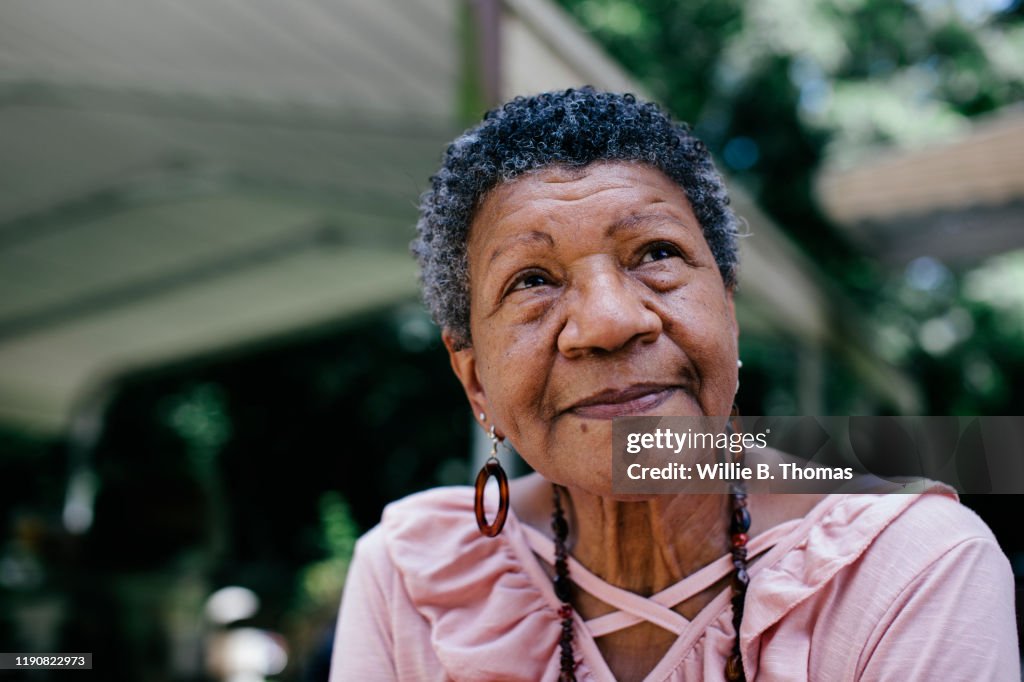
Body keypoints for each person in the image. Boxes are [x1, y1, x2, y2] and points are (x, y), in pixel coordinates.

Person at [329, 88, 1018, 681]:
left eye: (656, 253)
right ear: (476, 381)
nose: (608, 321)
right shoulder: (411, 581)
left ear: (730, 313)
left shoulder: (909, 568)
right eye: (532, 281)